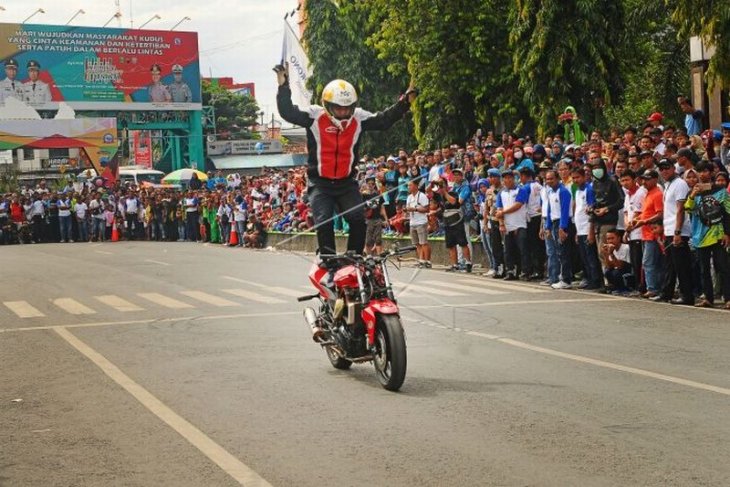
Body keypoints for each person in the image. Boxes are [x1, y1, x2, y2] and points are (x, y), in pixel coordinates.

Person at [275, 63, 416, 256]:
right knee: (324, 220)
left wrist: (404, 102)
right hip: (320, 183)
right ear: (327, 105)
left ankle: (354, 257)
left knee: (357, 219)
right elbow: (287, 112)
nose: (343, 113)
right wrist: (283, 87)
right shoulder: (314, 116)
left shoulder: (358, 118)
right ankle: (328, 258)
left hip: (346, 183)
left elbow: (384, 120)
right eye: (338, 109)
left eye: (347, 108)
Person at [685, 162, 730, 308]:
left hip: (717, 234)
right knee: (704, 269)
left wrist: (727, 233)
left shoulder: (721, 191)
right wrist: (693, 195)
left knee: (723, 267)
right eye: (700, 171)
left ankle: (728, 298)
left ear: (711, 173)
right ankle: (708, 298)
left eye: (705, 171)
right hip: (700, 235)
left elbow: (728, 213)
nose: (702, 174)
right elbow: (688, 209)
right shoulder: (694, 191)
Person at [652, 159, 694, 305]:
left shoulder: (680, 184)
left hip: (679, 230)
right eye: (661, 169)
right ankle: (666, 292)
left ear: (673, 168)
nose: (664, 171)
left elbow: (680, 209)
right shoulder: (668, 184)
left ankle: (687, 295)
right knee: (670, 264)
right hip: (669, 228)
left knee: (681, 265)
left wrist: (677, 232)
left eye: (667, 168)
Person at [542, 170, 573, 289]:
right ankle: (562, 277)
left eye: (551, 179)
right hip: (554, 223)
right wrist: (548, 227)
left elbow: (564, 211)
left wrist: (562, 227)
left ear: (557, 179)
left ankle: (566, 279)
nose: (549, 181)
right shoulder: (550, 192)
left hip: (562, 223)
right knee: (558, 252)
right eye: (547, 179)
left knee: (563, 252)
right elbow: (549, 211)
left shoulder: (563, 191)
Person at [495, 169, 529, 280]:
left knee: (523, 249)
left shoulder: (521, 190)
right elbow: (498, 210)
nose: (507, 180)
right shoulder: (501, 193)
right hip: (508, 226)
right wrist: (501, 224)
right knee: (508, 250)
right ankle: (510, 271)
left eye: (510, 178)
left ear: (513, 179)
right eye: (505, 178)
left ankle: (525, 271)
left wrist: (503, 212)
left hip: (520, 224)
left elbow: (518, 205)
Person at [435, 177, 472, 272]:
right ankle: (454, 264)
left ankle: (468, 263)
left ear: (446, 185)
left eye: (442, 183)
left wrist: (445, 192)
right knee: (451, 245)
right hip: (447, 222)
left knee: (463, 243)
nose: (440, 186)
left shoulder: (453, 193)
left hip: (457, 221)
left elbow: (454, 202)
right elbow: (428, 191)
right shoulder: (439, 196)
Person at [405, 179, 431, 267]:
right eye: (408, 185)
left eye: (410, 185)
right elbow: (407, 208)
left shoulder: (422, 196)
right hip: (412, 222)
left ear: (416, 186)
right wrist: (407, 211)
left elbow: (427, 209)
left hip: (421, 222)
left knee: (423, 242)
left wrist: (415, 209)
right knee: (417, 244)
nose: (408, 187)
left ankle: (427, 261)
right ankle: (421, 260)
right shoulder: (409, 197)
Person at [600, 229, 633, 294]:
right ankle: (615, 287)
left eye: (612, 238)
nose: (610, 241)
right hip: (618, 270)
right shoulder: (611, 248)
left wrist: (611, 254)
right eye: (608, 239)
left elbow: (620, 266)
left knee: (616, 272)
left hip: (628, 272)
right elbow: (609, 266)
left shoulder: (626, 248)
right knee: (607, 271)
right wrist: (606, 254)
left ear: (618, 238)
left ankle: (624, 289)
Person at [362, 175, 388, 256]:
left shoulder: (378, 195)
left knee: (378, 239)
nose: (370, 185)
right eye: (369, 184)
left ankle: (379, 256)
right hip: (368, 220)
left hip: (378, 219)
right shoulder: (363, 196)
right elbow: (360, 208)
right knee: (368, 239)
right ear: (366, 184)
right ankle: (368, 256)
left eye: (372, 184)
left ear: (374, 185)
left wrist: (386, 219)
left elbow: (382, 208)